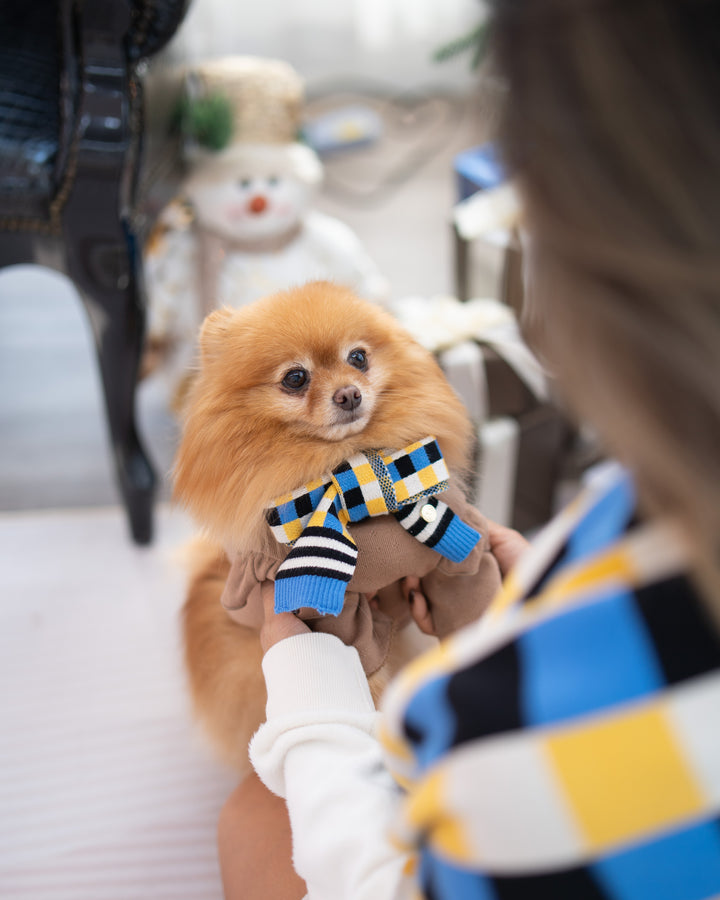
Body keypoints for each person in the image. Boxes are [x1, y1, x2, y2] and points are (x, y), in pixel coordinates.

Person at [217, 0, 720, 897]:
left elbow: (379, 879)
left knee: (254, 818)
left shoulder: (505, 732)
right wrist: (517, 607)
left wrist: (309, 685)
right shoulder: (621, 530)